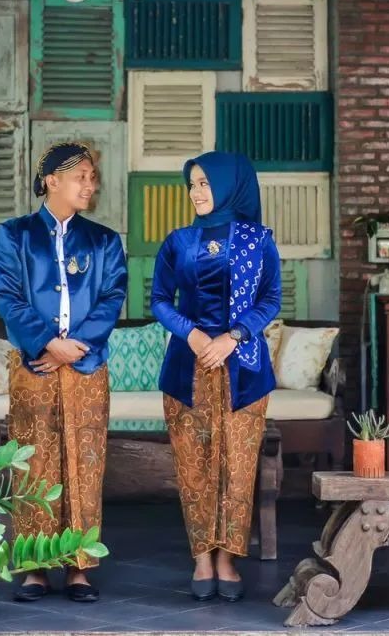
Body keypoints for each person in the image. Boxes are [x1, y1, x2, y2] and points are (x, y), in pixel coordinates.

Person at [0, 141, 127, 604]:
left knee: (85, 464)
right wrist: (48, 343)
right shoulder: (14, 235)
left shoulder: (104, 241)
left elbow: (112, 297)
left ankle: (79, 567)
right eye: (80, 177)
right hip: (33, 367)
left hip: (87, 367)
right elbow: (8, 296)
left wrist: (72, 349)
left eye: (92, 177)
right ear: (51, 180)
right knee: (35, 463)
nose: (90, 185)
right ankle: (34, 568)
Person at [150, 151, 282, 603]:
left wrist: (233, 336)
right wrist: (191, 334)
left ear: (229, 185)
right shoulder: (179, 241)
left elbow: (271, 299)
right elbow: (160, 299)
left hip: (243, 369)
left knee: (237, 469)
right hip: (187, 369)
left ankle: (228, 558)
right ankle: (202, 557)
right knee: (194, 468)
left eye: (205, 183)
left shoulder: (258, 240)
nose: (196, 192)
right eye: (192, 184)